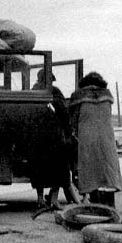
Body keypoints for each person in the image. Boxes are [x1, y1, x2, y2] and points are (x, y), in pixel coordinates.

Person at [69, 71, 122, 207]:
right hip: (107, 140)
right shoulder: (107, 97)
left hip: (87, 140)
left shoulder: (78, 97)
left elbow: (73, 121)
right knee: (107, 171)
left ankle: (96, 208)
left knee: (90, 172)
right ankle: (111, 208)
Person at [30, 69, 78, 209]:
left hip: (36, 137)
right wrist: (69, 132)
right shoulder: (55, 92)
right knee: (60, 167)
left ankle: (40, 199)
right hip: (54, 137)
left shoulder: (32, 92)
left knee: (38, 168)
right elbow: (64, 113)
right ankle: (55, 200)